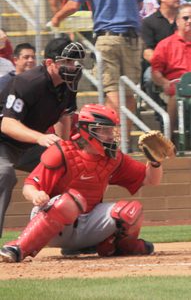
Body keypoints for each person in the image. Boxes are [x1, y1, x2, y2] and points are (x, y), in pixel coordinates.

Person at [0, 104, 165, 263]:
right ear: (88, 131)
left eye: (111, 130)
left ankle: (118, 248)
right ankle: (18, 248)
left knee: (131, 211)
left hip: (88, 224)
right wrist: (36, 195)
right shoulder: (61, 152)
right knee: (70, 201)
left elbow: (150, 180)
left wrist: (155, 162)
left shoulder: (113, 157)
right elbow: (29, 186)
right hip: (52, 224)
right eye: (105, 130)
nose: (111, 136)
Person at [51, 0, 143, 148]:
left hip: (108, 39)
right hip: (132, 39)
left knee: (111, 89)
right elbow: (139, 5)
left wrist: (56, 17)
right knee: (129, 91)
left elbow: (73, 4)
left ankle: (116, 143)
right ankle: (125, 141)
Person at [0, 37, 85, 238]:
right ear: (50, 63)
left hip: (28, 145)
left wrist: (65, 149)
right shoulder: (27, 82)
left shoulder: (68, 84)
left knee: (73, 165)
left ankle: (73, 236)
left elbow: (64, 115)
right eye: (66, 62)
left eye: (74, 62)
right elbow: (7, 124)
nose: (72, 67)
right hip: (4, 142)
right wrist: (40, 138)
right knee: (4, 174)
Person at [151, 4, 191, 137]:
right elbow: (156, 71)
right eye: (186, 18)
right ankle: (169, 135)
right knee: (176, 97)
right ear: (177, 20)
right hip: (174, 87)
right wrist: (163, 82)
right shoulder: (165, 44)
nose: (190, 21)